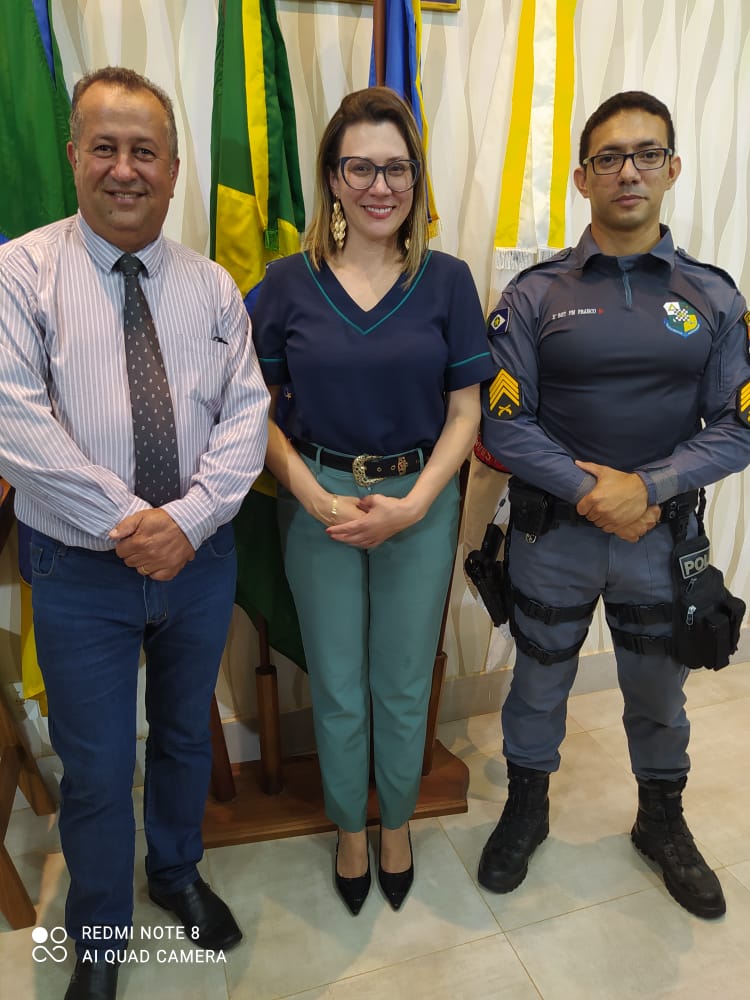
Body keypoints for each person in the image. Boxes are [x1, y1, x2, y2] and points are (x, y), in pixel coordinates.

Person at [0, 67, 269, 1000]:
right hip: (79, 568)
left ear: (174, 169)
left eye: (144, 151)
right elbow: (15, 422)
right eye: (105, 148)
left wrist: (185, 522)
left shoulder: (213, 287)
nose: (125, 169)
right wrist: (132, 524)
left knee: (188, 737)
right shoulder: (19, 273)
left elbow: (247, 415)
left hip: (199, 560)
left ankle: (177, 871)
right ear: (74, 155)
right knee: (97, 766)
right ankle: (101, 935)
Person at [477, 91, 750, 919]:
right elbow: (503, 422)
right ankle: (527, 808)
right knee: (537, 682)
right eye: (609, 157)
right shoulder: (534, 294)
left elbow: (739, 425)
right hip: (553, 534)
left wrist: (649, 488)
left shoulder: (715, 296)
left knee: (659, 691)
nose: (628, 171)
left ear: (673, 168)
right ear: (582, 177)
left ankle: (661, 821)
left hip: (661, 540)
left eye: (646, 154)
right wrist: (597, 491)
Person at [251, 86, 495, 915]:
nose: (379, 186)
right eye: (360, 167)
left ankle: (395, 824)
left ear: (416, 179)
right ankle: (349, 830)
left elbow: (465, 413)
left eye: (396, 168)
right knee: (337, 682)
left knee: (400, 682)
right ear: (332, 176)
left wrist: (417, 503)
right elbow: (254, 412)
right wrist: (316, 498)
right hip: (315, 499)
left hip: (418, 504)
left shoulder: (447, 281)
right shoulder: (286, 284)